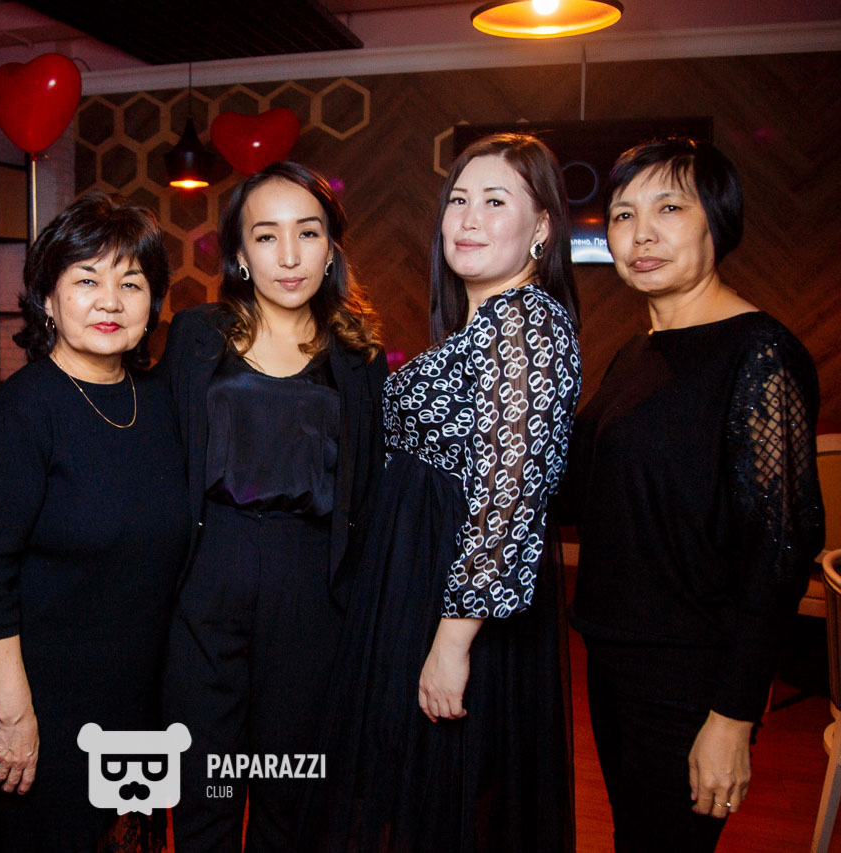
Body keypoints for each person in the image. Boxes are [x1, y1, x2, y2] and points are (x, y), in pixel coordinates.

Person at [300, 133, 581, 852]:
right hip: (420, 585)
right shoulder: (486, 324)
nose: (469, 218)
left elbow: (512, 494)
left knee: (439, 801)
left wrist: (452, 642)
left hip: (453, 608)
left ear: (543, 228)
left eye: (496, 201)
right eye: (458, 200)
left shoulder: (525, 322)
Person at [567, 137, 823, 852]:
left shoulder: (759, 353)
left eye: (669, 208)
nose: (641, 233)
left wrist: (734, 714)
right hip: (614, 658)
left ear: (718, 221)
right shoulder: (636, 351)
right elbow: (583, 495)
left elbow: (779, 553)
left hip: (688, 680)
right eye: (623, 215)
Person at [158, 161, 387, 852]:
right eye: (267, 236)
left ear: (331, 248)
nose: (289, 256)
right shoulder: (196, 335)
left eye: (307, 233)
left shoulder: (359, 355)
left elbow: (370, 490)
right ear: (239, 253)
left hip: (311, 584)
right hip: (209, 572)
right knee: (206, 783)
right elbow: (156, 453)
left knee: (291, 789)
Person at [0, 191, 190, 852]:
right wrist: (14, 716)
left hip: (140, 697)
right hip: (46, 704)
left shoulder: (162, 401)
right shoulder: (22, 412)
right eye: (86, 280)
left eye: (131, 283)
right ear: (48, 300)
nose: (110, 301)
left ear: (153, 301)